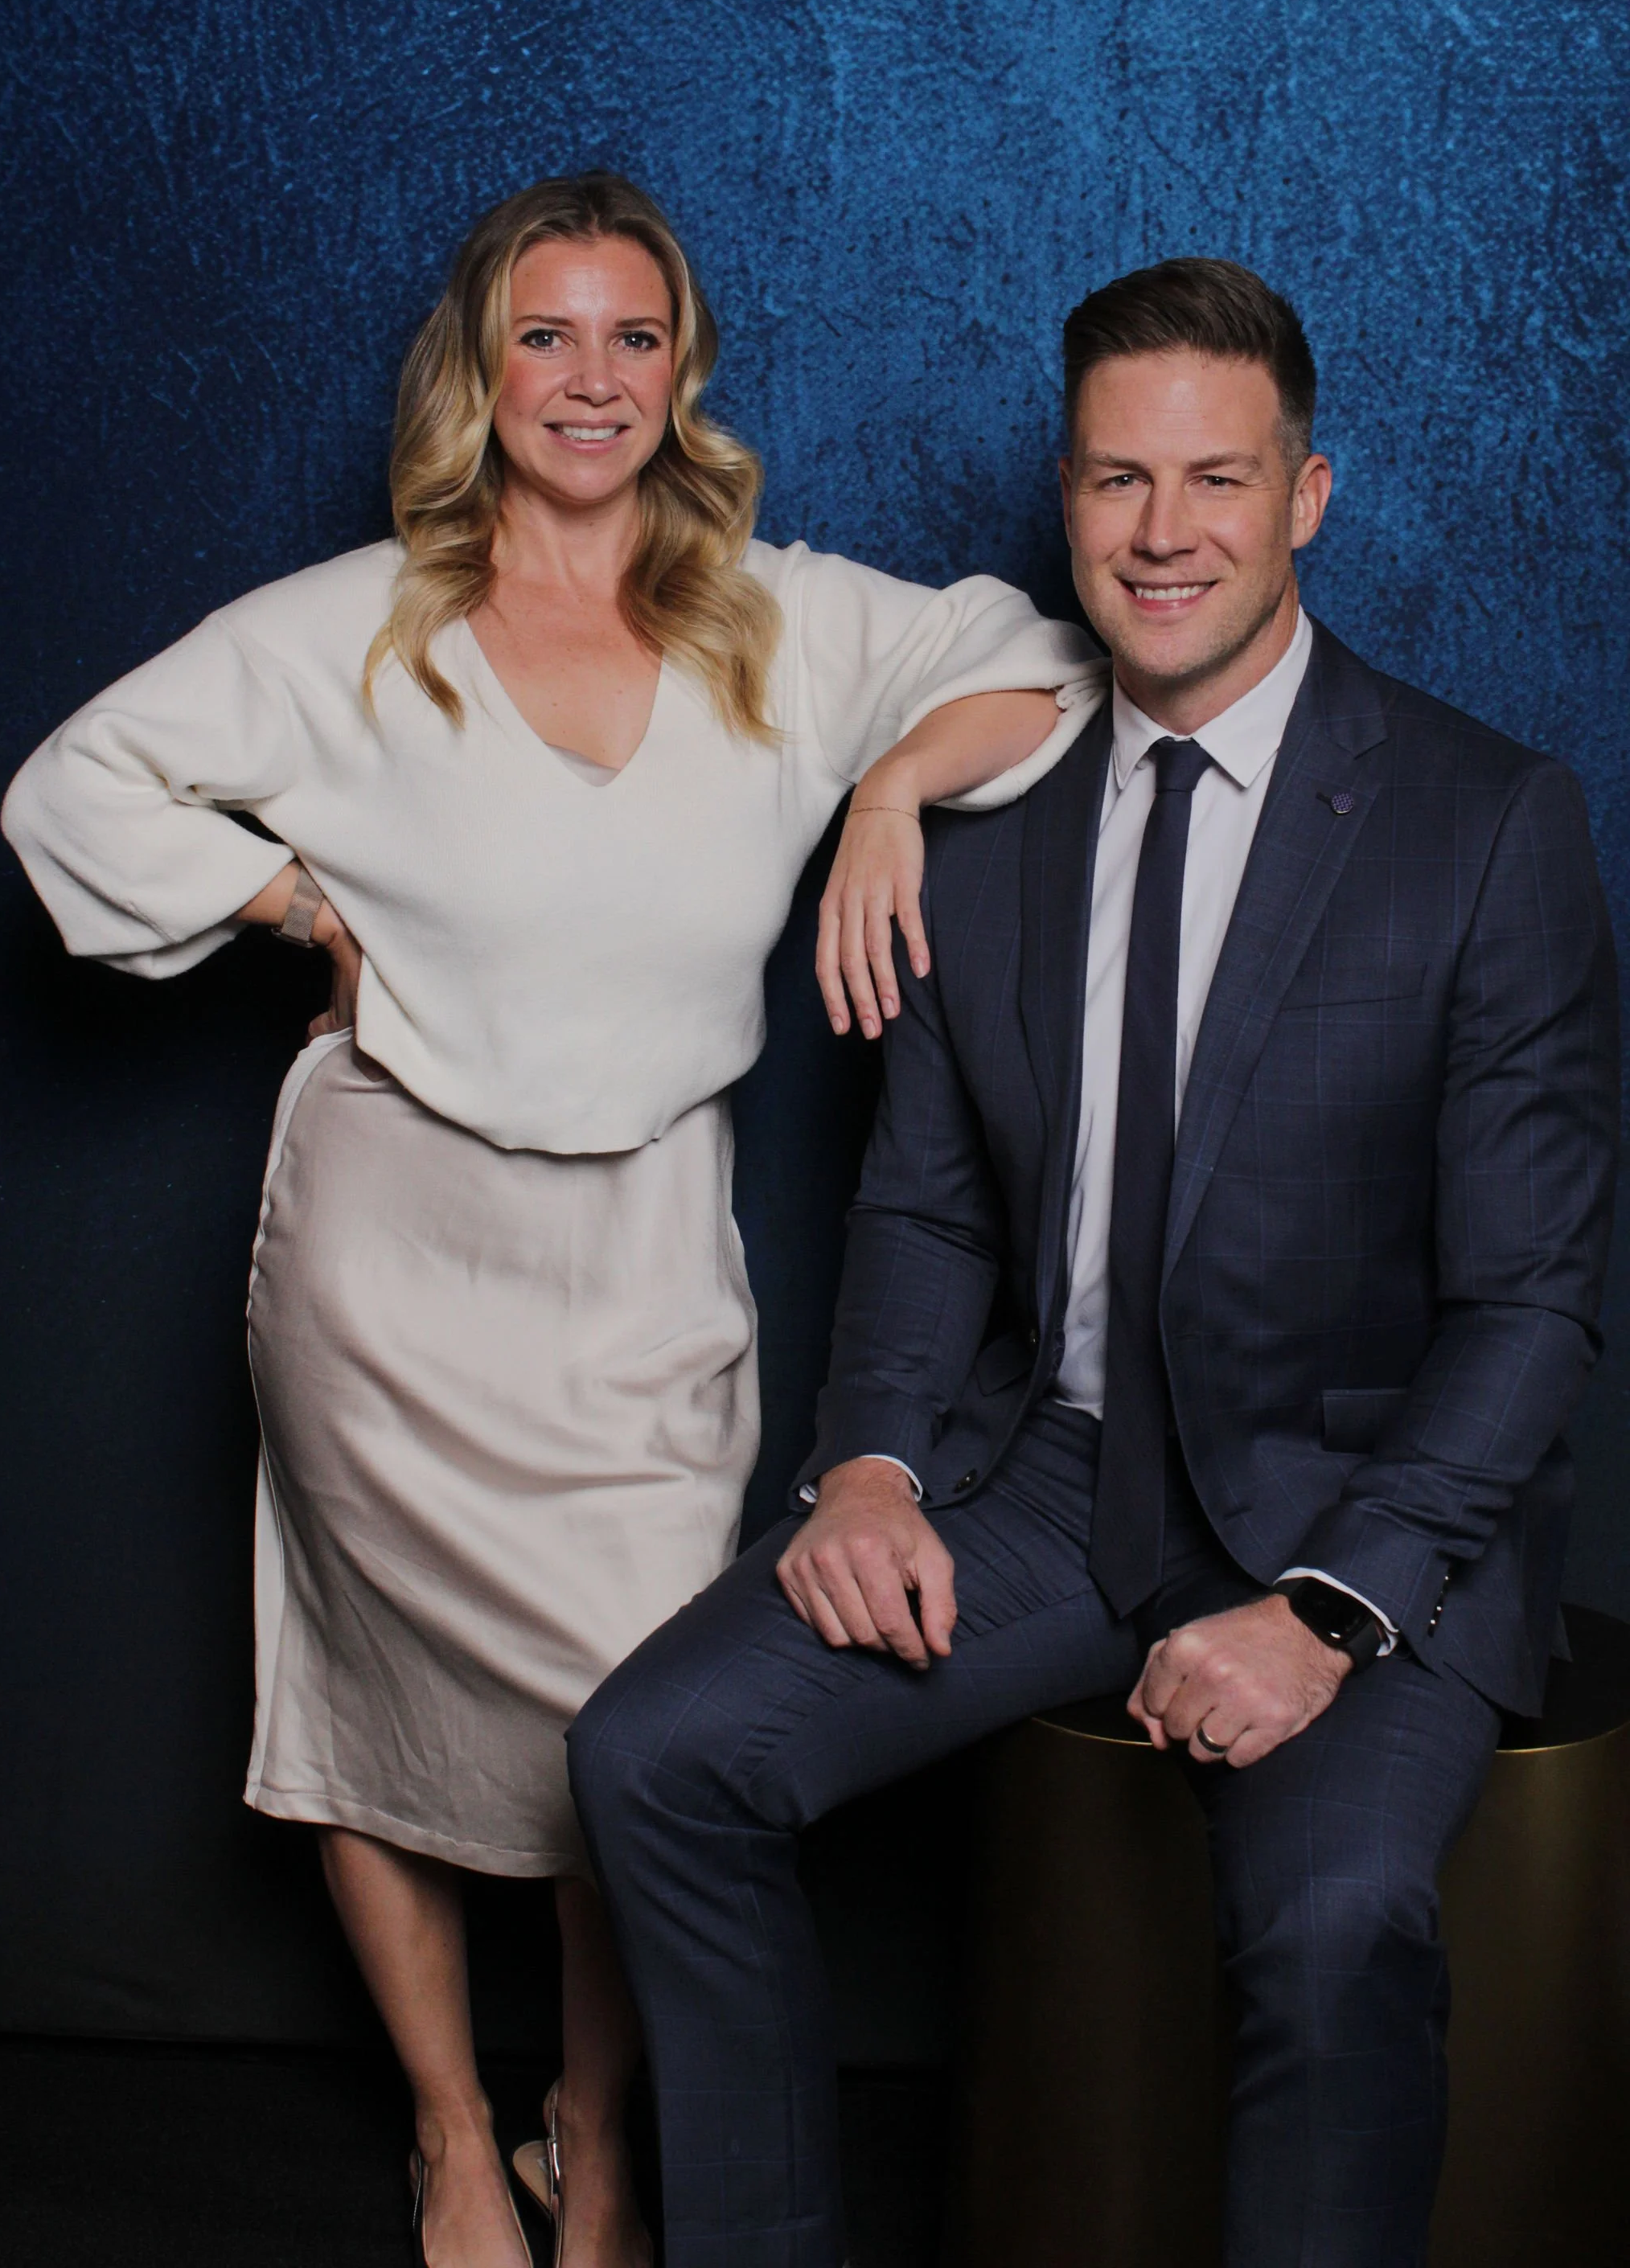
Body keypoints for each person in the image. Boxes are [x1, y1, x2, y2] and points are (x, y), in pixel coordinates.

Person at [0, 172, 1107, 2268]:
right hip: (386, 1257)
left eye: (631, 337)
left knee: (638, 1739)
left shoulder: (774, 623)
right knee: (361, 1703)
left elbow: (1039, 660)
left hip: (642, 1277)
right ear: (479, 372)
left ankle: (598, 2150)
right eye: (545, 336)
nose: (589, 380)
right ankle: (446, 2138)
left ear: (681, 370)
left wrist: (883, 789)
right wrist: (290, 903)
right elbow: (70, 795)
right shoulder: (350, 628)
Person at [569, 256, 1621, 2268]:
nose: (1164, 534)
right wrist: (867, 1461)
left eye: (1215, 480)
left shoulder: (1487, 825)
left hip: (1355, 1505)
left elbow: (1532, 1304)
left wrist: (1324, 1606)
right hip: (1046, 1482)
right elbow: (927, 1205)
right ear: (1062, 497)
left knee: (1328, 1925)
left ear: (1306, 495)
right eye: (1117, 482)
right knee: (655, 1758)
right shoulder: (992, 823)